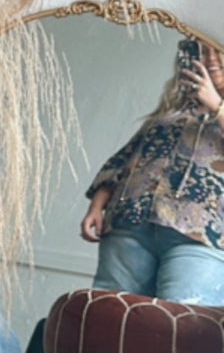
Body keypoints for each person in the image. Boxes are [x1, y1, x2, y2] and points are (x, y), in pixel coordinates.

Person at [80, 37, 224, 306]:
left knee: (182, 319)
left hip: (200, 236)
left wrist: (217, 105)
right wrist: (96, 207)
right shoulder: (172, 111)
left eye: (217, 50)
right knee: (112, 313)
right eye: (203, 52)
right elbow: (125, 159)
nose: (211, 59)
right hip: (130, 223)